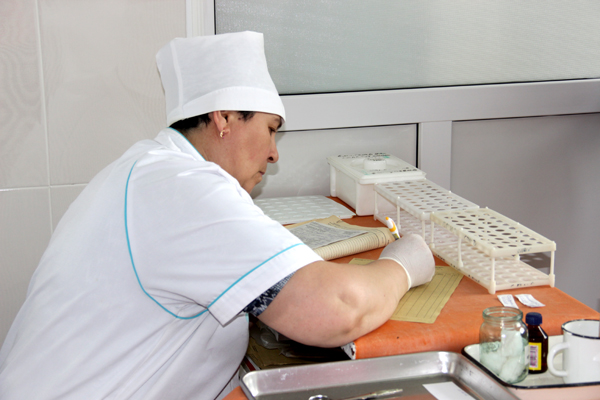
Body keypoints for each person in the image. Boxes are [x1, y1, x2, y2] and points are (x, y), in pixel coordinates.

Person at [0, 31, 434, 400]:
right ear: (224, 117)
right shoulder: (184, 189)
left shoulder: (148, 170)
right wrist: (403, 265)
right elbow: (340, 308)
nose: (274, 153)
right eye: (270, 129)